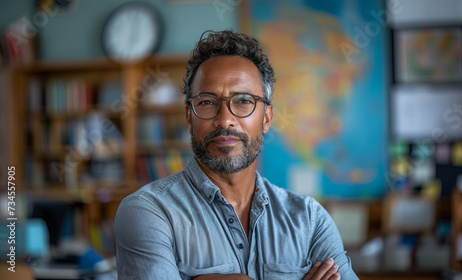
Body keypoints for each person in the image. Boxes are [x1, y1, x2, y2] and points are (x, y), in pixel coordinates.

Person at [115, 30, 359, 280]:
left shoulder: (309, 219)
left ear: (266, 118)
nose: (225, 119)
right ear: (190, 117)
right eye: (207, 102)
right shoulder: (148, 212)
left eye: (243, 100)